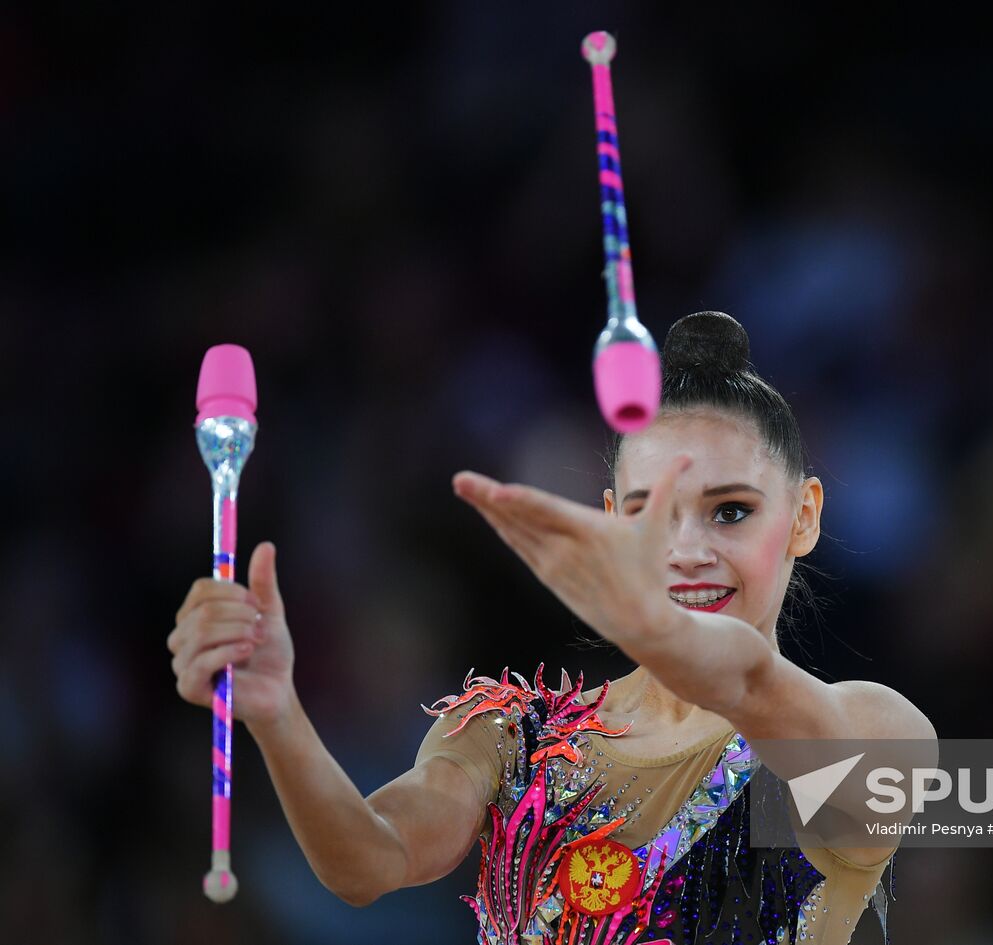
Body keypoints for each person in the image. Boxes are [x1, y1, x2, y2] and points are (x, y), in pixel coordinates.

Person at [168, 311, 936, 944]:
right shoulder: (514, 735)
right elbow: (370, 858)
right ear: (612, 523)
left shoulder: (874, 731)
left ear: (803, 516)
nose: (689, 551)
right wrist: (277, 712)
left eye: (730, 512)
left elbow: (745, 677)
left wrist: (649, 622)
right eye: (652, 515)